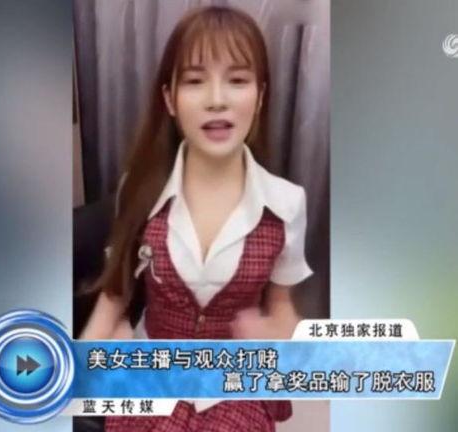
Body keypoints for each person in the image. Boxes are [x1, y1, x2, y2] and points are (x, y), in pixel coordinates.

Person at [80, 5, 313, 431]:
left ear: (260, 96)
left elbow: (282, 307)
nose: (217, 99)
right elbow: (114, 296)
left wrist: (278, 335)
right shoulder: (139, 189)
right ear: (170, 98)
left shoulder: (286, 204)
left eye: (237, 80)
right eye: (194, 80)